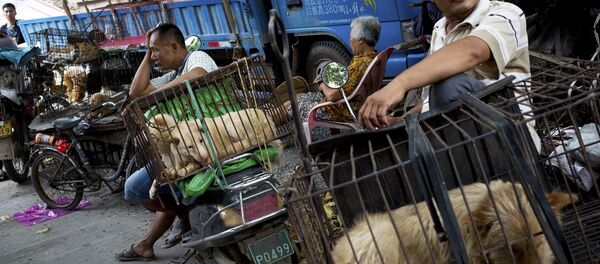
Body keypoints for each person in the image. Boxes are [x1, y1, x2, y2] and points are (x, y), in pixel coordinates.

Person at [116, 23, 218, 261]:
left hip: (208, 143)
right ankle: (175, 223)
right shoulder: (172, 74)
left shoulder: (197, 57)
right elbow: (136, 91)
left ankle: (182, 216)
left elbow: (198, 75)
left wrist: (157, 96)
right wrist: (148, 55)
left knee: (134, 188)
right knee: (149, 186)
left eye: (156, 51)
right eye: (150, 51)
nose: (153, 56)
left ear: (174, 46)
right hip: (183, 150)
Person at [359, 0, 531, 130]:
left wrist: (399, 84)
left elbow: (473, 51)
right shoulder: (439, 29)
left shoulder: (506, 13)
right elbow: (433, 102)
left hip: (511, 135)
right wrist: (399, 121)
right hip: (458, 140)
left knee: (449, 85)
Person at [287, 16, 380, 125]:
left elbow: (332, 96)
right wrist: (327, 78)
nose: (350, 41)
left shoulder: (359, 66)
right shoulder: (373, 57)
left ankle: (266, 132)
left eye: (351, 37)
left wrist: (323, 84)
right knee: (297, 97)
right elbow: (347, 84)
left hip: (339, 110)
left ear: (360, 40)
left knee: (287, 106)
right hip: (351, 103)